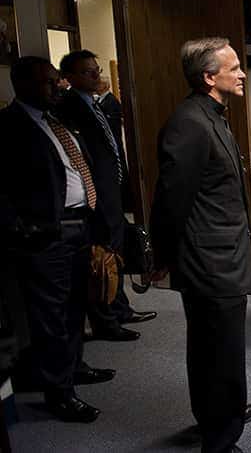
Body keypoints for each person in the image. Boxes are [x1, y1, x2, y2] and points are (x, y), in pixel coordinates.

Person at [150, 37, 251, 453]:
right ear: (209, 77)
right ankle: (219, 436)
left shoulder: (211, 114)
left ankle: (224, 411)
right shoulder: (189, 124)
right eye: (234, 68)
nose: (242, 74)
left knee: (219, 348)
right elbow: (170, 201)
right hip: (209, 263)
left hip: (222, 254)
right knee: (218, 353)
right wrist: (161, 258)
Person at [0, 57, 113, 422]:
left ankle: (75, 366)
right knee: (50, 315)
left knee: (75, 305)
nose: (58, 87)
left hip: (79, 225)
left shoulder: (55, 119)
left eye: (57, 81)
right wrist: (20, 228)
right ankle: (59, 393)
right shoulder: (9, 126)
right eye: (49, 82)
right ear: (23, 85)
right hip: (46, 235)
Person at [58, 50, 157, 343]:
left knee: (116, 252)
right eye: (88, 72)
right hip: (94, 196)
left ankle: (121, 308)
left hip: (112, 191)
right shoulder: (69, 107)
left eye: (97, 70)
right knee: (101, 259)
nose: (96, 76)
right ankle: (106, 321)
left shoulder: (97, 104)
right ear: (71, 77)